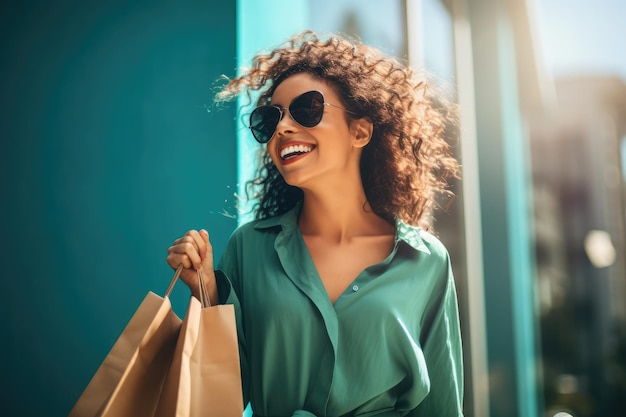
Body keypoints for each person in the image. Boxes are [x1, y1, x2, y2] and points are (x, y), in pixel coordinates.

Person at [166, 30, 463, 417]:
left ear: (361, 130)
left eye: (307, 109)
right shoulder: (249, 248)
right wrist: (206, 291)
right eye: (270, 118)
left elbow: (441, 407)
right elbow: (223, 396)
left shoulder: (426, 261)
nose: (283, 128)